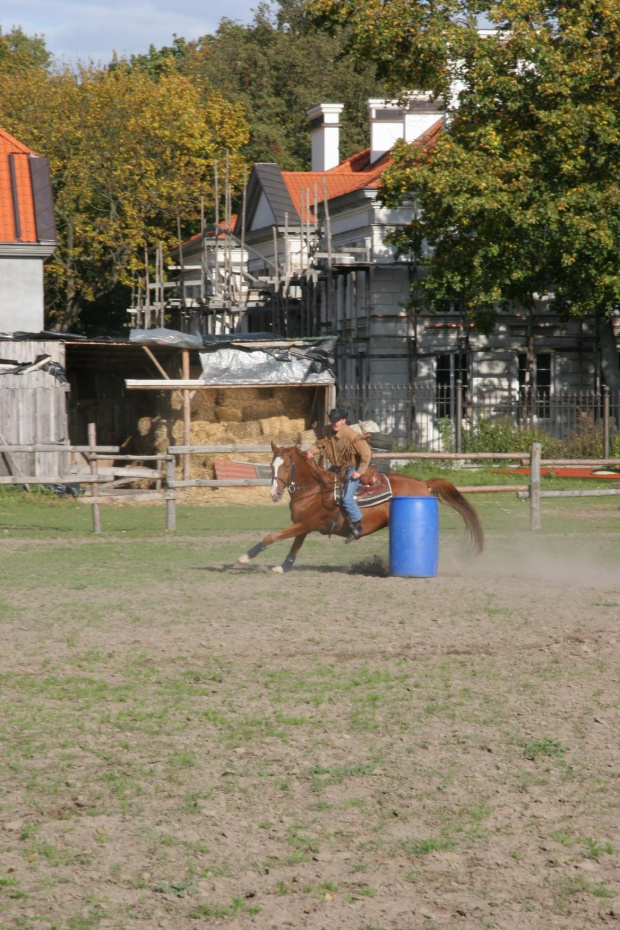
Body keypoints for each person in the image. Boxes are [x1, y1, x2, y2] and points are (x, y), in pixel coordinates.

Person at [306, 408, 372, 542]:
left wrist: (359, 472)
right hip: (337, 467)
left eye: (338, 420)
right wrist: (311, 450)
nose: (335, 423)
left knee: (347, 498)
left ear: (343, 420)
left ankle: (357, 525)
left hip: (351, 468)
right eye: (333, 420)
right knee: (321, 487)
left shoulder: (352, 436)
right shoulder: (327, 431)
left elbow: (366, 454)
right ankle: (326, 519)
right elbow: (320, 444)